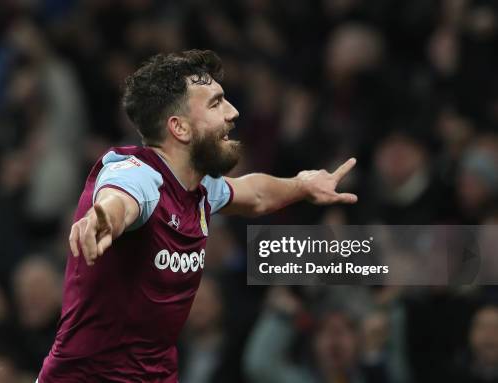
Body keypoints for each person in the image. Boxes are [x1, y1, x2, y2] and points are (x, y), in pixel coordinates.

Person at [38, 49, 358, 382]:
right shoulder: (137, 174)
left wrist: (301, 185)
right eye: (216, 103)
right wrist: (103, 218)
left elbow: (257, 194)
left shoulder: (199, 188)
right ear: (180, 128)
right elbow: (121, 199)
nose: (233, 112)